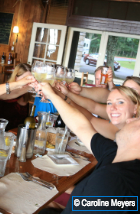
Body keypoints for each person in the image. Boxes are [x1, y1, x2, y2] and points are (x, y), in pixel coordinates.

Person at [37, 82, 140, 214]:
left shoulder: (114, 181)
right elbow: (81, 126)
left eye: (137, 121)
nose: (131, 120)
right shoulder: (114, 154)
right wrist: (53, 96)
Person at [0, 63, 32, 135]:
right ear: (16, 78)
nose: (28, 82)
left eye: (30, 79)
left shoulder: (26, 95)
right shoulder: (4, 93)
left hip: (16, 136)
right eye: (25, 79)